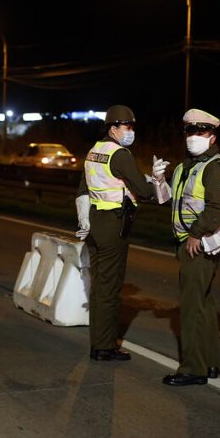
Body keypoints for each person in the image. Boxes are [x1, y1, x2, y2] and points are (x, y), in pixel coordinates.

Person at [152, 109, 220, 386]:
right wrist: (159, 181)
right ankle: (209, 363)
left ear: (212, 137)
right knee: (203, 304)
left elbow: (219, 207)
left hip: (199, 245)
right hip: (187, 242)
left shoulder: (216, 168)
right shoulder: (184, 167)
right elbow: (169, 200)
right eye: (190, 131)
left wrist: (196, 234)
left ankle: (193, 369)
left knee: (191, 307)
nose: (194, 136)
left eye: (201, 132)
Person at [76, 104, 156, 361]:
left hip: (95, 222)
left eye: (132, 126)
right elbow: (143, 191)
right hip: (114, 224)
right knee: (110, 287)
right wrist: (155, 181)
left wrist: (83, 219)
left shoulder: (94, 151)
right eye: (126, 126)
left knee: (99, 286)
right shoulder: (120, 154)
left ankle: (98, 343)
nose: (130, 131)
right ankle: (105, 347)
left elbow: (83, 188)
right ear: (112, 128)